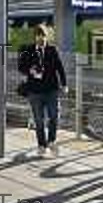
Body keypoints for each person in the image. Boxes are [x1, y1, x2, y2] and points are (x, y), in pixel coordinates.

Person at [18, 24, 67, 156]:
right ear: (35, 37)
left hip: (51, 90)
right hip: (35, 91)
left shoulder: (52, 50)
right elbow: (21, 67)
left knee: (54, 117)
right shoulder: (28, 50)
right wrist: (31, 71)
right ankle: (41, 145)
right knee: (39, 120)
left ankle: (51, 141)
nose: (41, 38)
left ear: (46, 36)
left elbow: (60, 68)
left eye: (43, 36)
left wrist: (64, 84)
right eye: (39, 36)